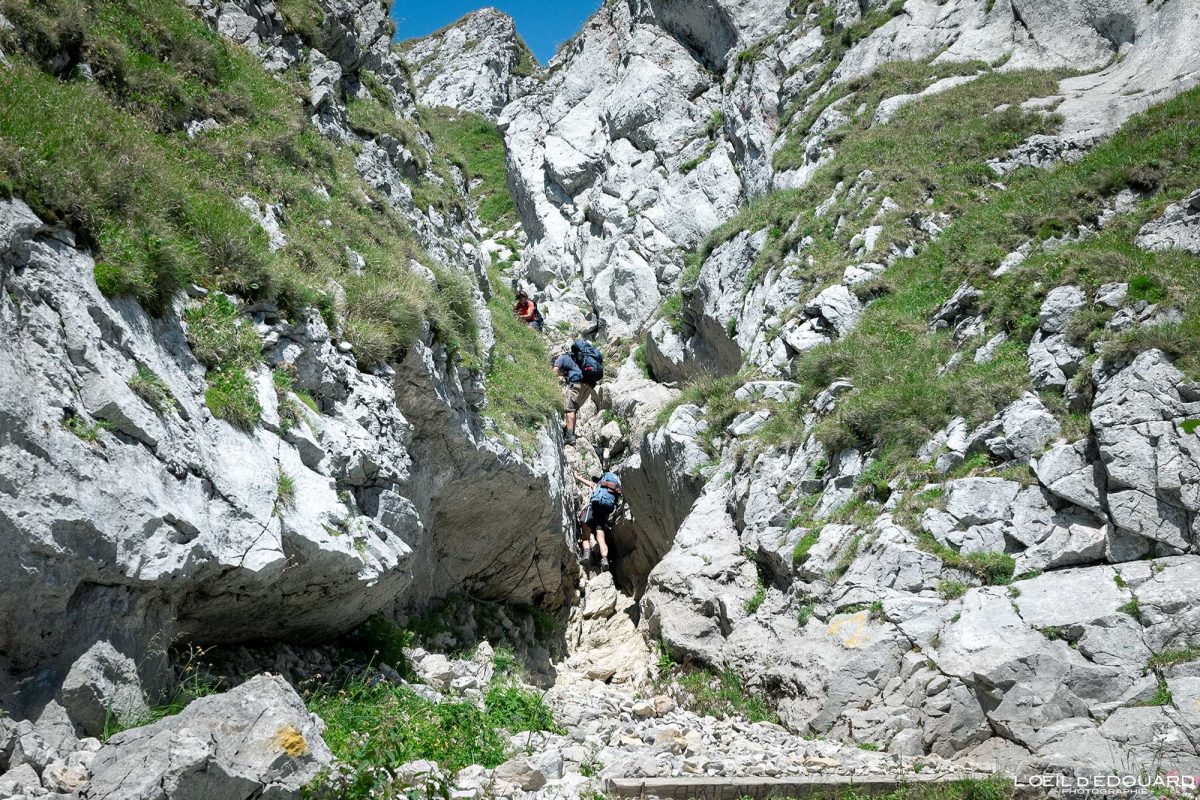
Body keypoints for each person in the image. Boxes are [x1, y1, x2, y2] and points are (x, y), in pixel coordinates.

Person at [552, 339, 604, 445]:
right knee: (573, 409)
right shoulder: (575, 358)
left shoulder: (561, 358)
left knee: (569, 409)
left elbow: (555, 371)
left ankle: (570, 437)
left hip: (577, 384)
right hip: (589, 385)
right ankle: (569, 431)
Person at [580, 470, 621, 570]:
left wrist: (578, 477)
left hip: (592, 509)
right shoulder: (612, 487)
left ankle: (586, 554)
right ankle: (604, 559)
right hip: (603, 514)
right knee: (601, 540)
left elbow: (589, 483)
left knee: (586, 537)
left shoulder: (597, 484)